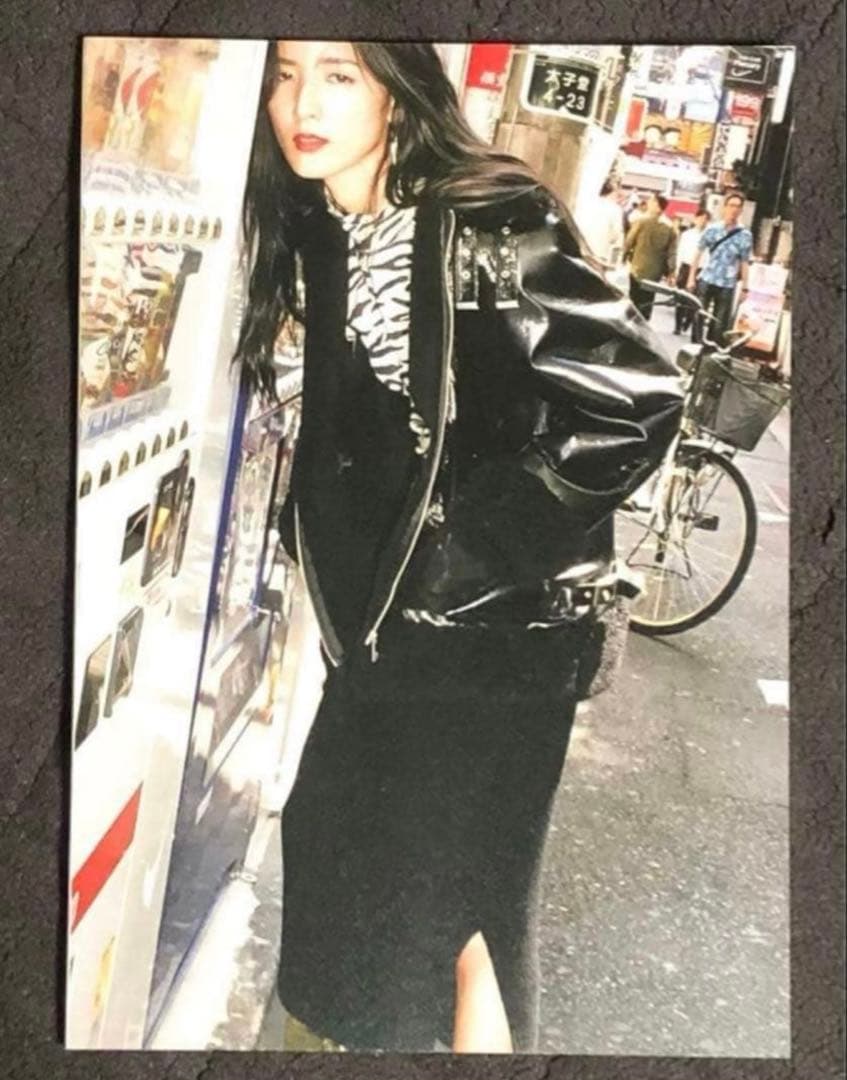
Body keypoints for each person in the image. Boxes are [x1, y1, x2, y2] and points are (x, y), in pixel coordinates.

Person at [234, 39, 684, 1055]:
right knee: (399, 896)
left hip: (490, 641)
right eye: (286, 73)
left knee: (449, 915)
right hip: (395, 633)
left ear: (396, 92)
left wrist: (470, 542)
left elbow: (633, 399)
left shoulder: (486, 217)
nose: (303, 102)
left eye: (340, 75)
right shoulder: (324, 221)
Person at [687, 191, 753, 345]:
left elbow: (744, 262)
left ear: (741, 210)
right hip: (707, 278)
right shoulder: (712, 229)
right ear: (724, 207)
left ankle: (711, 349)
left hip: (727, 283)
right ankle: (695, 346)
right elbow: (698, 254)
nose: (734, 209)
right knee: (699, 315)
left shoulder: (745, 235)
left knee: (719, 322)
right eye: (731, 205)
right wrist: (691, 277)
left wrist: (745, 287)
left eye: (738, 206)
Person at [623, 193, 677, 320]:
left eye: (651, 201)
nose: (648, 203)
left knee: (634, 299)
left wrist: (624, 256)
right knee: (648, 301)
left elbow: (629, 241)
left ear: (657, 205)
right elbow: (672, 252)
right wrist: (671, 272)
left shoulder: (641, 221)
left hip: (638, 268)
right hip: (655, 273)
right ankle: (643, 323)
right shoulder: (670, 227)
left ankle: (631, 323)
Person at [674, 209, 710, 335]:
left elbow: (708, 255)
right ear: (695, 219)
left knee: (694, 299)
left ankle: (688, 321)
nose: (702, 221)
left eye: (705, 219)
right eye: (700, 218)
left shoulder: (708, 236)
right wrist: (677, 269)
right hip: (686, 266)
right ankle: (678, 325)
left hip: (700, 269)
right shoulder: (687, 235)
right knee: (681, 297)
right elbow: (680, 251)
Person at [579, 178, 625, 268]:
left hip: (582, 249)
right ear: (614, 192)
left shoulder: (587, 203)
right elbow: (615, 235)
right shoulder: (615, 209)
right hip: (600, 253)